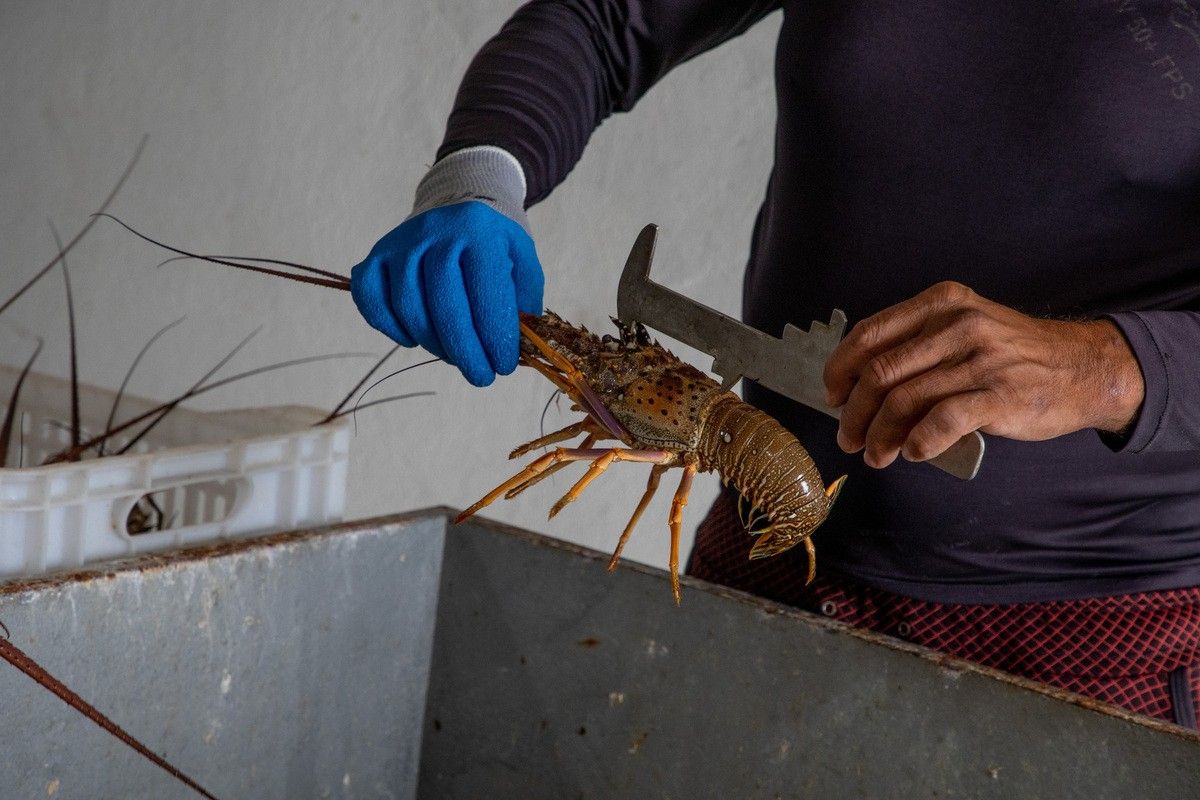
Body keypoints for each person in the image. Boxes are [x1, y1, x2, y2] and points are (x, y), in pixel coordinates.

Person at [351, 1, 1200, 727]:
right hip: (768, 570)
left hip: (1091, 639)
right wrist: (478, 179)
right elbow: (606, 19)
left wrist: (1110, 366)